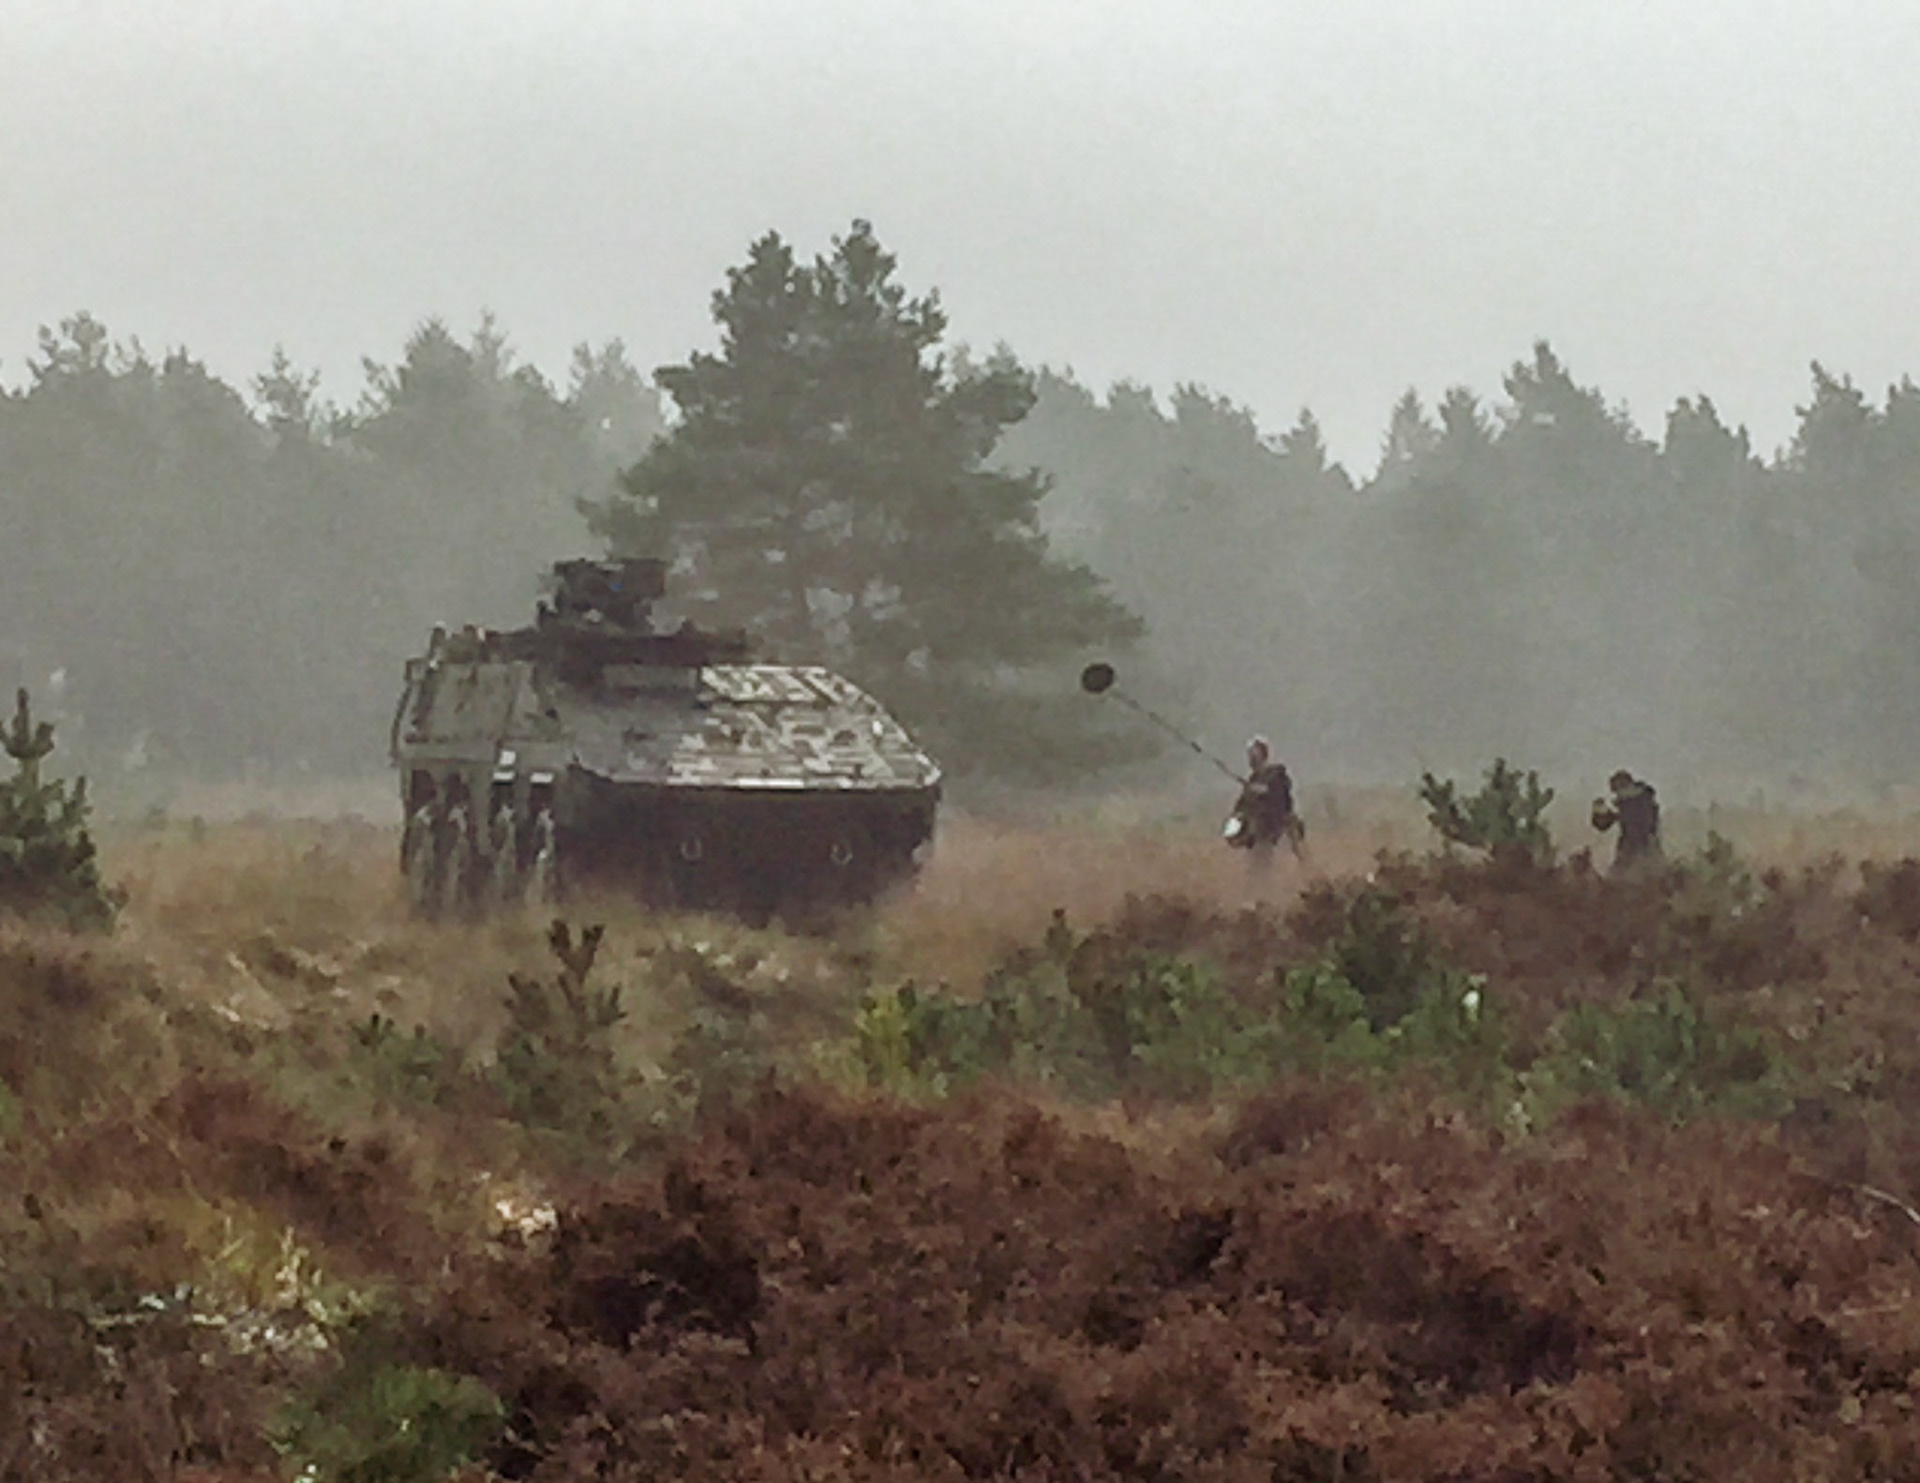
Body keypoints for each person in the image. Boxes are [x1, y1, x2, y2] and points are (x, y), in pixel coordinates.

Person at [1228, 736, 1303, 864]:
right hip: (1260, 833)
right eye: (1250, 756)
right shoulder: (1253, 779)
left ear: (1263, 755)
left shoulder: (1277, 775)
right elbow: (1243, 806)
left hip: (1280, 832)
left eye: (1254, 755)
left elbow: (1278, 796)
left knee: (1286, 864)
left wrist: (1259, 790)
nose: (1252, 759)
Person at [1591, 769, 1661, 870]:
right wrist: (1600, 814)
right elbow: (1603, 825)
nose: (1618, 794)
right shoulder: (1631, 802)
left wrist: (1608, 814)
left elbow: (1641, 822)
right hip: (1631, 848)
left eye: (1618, 789)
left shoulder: (1642, 801)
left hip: (1643, 848)